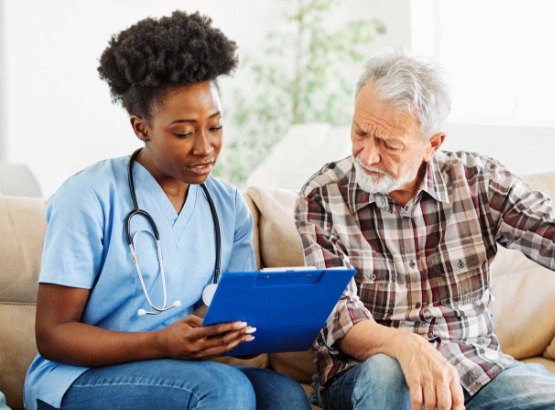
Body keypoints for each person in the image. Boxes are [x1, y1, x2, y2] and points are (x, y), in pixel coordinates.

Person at [23, 11, 311, 410]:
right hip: (76, 378)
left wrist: (245, 330)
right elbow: (53, 335)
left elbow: (235, 334)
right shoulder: (88, 196)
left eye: (215, 126)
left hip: (176, 370)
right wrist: (159, 342)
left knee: (283, 394)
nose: (205, 146)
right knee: (224, 390)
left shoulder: (228, 208)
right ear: (141, 128)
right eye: (183, 132)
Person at [295, 48, 555, 410]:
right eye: (360, 132)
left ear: (432, 145)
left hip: (475, 371)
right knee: (390, 372)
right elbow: (336, 319)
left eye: (388, 144)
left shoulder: (479, 181)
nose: (367, 155)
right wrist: (406, 346)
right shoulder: (322, 196)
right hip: (366, 372)